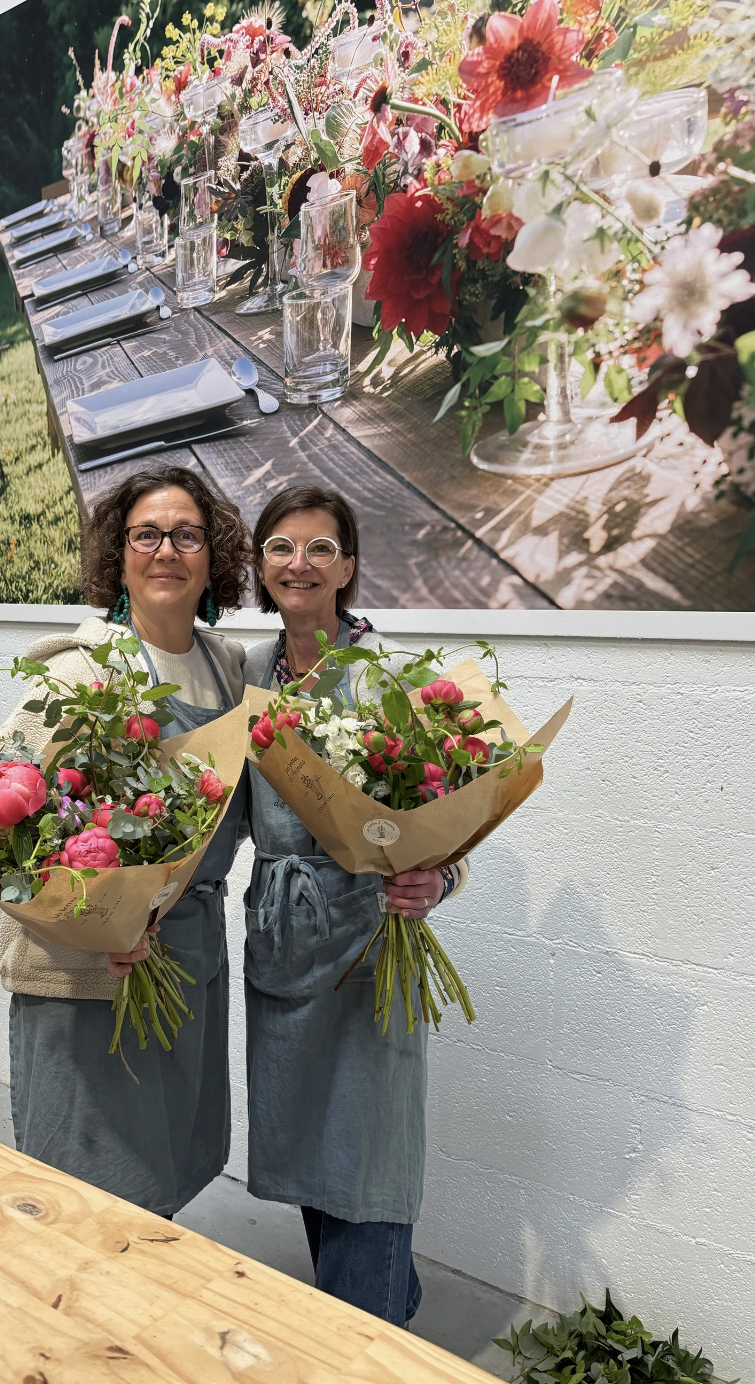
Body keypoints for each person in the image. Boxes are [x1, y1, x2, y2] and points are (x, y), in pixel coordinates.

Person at [242, 483, 468, 1327]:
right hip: (283, 933)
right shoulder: (246, 674)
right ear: (261, 564)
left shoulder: (394, 674)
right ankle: (378, 1301)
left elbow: (453, 813)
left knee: (370, 1145)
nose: (298, 564)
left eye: (320, 548)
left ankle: (367, 1331)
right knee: (308, 1135)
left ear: (348, 568)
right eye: (280, 546)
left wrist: (437, 880)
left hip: (371, 941)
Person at [0, 465, 250, 1216]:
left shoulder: (226, 668)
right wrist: (96, 924)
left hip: (188, 955)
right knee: (88, 1188)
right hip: (89, 972)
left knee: (161, 1171)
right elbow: (0, 833)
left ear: (213, 556)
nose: (166, 550)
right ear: (119, 555)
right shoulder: (76, 674)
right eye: (147, 535)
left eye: (187, 535)